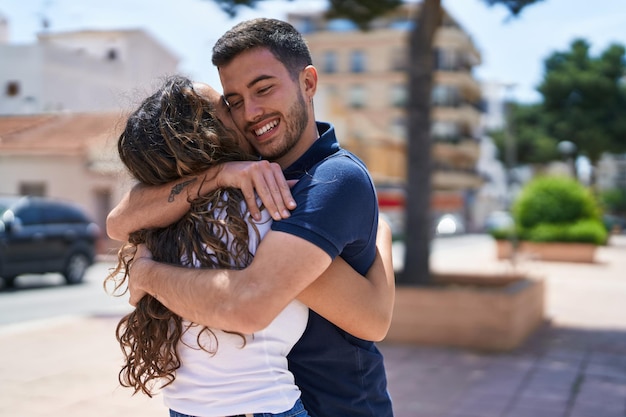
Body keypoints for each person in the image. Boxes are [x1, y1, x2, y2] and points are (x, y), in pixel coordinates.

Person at [107, 18, 395, 417]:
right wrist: (219, 174)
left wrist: (147, 275)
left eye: (263, 89)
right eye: (234, 101)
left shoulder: (329, 181)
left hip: (336, 405)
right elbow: (119, 221)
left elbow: (370, 320)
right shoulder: (243, 178)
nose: (252, 113)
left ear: (308, 83)